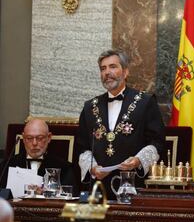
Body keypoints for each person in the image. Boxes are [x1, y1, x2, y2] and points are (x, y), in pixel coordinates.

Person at [78, 49, 164, 200]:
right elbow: (81, 146)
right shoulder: (90, 107)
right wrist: (92, 167)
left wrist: (138, 160)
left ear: (125, 72)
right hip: (99, 189)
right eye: (103, 69)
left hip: (133, 185)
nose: (107, 72)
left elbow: (157, 141)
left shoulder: (145, 102)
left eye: (112, 67)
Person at [0, 118, 76, 195]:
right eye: (29, 138)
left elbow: (70, 195)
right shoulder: (8, 165)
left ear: (49, 137)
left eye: (40, 138)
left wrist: (46, 194)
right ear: (23, 138)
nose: (34, 143)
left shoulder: (64, 167)